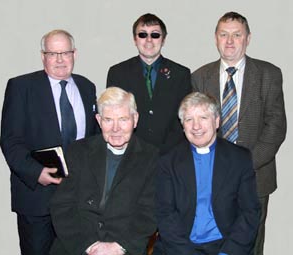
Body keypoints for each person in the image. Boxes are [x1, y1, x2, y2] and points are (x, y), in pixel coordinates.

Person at [191, 11, 287, 255]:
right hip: (212, 181)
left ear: (248, 38)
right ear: (216, 39)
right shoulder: (200, 77)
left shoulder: (269, 74)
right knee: (215, 243)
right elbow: (196, 128)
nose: (230, 41)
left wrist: (243, 166)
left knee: (251, 245)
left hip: (256, 177)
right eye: (224, 35)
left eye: (237, 35)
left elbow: (276, 127)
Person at [0, 29, 98, 255]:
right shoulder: (21, 87)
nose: (60, 59)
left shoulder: (87, 87)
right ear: (43, 56)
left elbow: (92, 141)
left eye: (65, 52)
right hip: (37, 201)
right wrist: (36, 172)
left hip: (78, 202)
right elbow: (10, 141)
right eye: (53, 54)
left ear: (75, 54)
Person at [49, 87, 158, 255]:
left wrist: (118, 247)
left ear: (135, 119)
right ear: (99, 120)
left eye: (123, 119)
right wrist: (89, 246)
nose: (116, 128)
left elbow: (148, 212)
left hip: (124, 247)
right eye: (108, 120)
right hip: (77, 246)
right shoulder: (78, 152)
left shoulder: (151, 157)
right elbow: (62, 206)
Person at [156, 92, 260, 255]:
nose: (196, 126)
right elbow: (165, 213)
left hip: (225, 246)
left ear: (217, 121)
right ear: (183, 125)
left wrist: (228, 252)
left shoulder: (240, 158)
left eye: (203, 118)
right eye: (189, 119)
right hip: (180, 248)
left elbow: (250, 212)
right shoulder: (168, 161)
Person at [107, 13, 192, 155]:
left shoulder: (181, 74)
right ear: (135, 39)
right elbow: (114, 116)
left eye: (155, 35)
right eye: (142, 34)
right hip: (130, 155)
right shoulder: (117, 73)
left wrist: (166, 152)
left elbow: (184, 118)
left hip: (171, 155)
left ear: (163, 39)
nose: (148, 40)